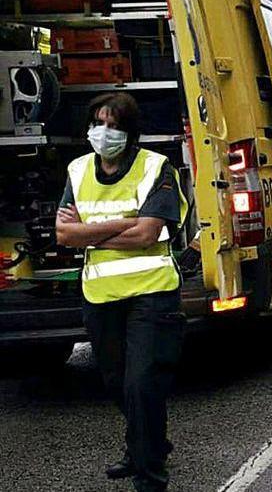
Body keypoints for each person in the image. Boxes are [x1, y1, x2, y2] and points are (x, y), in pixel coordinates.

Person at [55, 93, 187, 492]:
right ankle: (146, 445)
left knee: (141, 382)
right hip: (101, 295)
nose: (104, 132)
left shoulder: (155, 167)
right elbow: (64, 234)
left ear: (130, 133)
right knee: (116, 382)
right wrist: (121, 224)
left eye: (114, 125)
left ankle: (149, 475)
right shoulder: (77, 170)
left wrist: (89, 234)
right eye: (98, 123)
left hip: (152, 292)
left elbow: (149, 233)